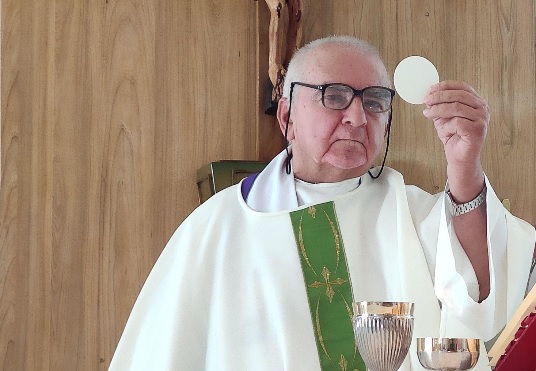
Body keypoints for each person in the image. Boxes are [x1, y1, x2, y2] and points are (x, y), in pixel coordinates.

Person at [109, 36, 535, 371]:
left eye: (374, 101)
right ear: (287, 118)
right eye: (333, 95)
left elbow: (482, 299)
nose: (356, 117)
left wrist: (463, 163)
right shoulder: (216, 229)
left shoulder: (414, 215)